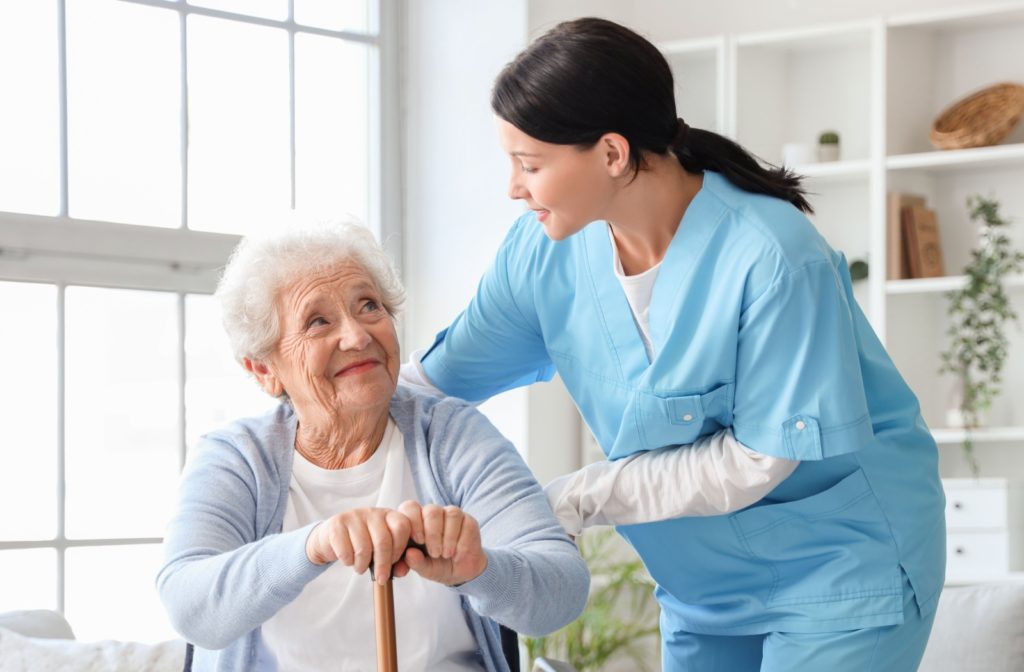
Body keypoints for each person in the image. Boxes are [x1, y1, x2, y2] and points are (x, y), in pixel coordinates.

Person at [403, 17, 946, 671]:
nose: (513, 187)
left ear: (611, 153)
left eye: (530, 164)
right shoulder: (540, 254)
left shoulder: (771, 256)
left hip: (840, 572)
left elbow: (757, 460)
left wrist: (568, 501)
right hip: (700, 587)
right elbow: (428, 387)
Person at [155, 223, 590, 672]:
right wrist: (314, 545)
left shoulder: (456, 436)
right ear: (265, 370)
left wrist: (479, 568)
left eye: (369, 306)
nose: (358, 336)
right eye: (318, 321)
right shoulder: (236, 458)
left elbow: (562, 593)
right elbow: (190, 607)